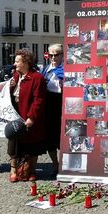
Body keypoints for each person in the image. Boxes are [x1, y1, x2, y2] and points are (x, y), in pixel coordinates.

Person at [8, 48, 47, 182]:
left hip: (28, 114)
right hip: (16, 115)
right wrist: (10, 87)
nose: (15, 64)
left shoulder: (37, 78)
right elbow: (10, 96)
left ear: (26, 62)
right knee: (14, 144)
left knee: (32, 146)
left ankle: (31, 170)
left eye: (17, 61)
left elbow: (39, 100)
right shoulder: (16, 76)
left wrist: (31, 117)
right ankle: (13, 170)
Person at [41, 44, 63, 177]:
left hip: (62, 104)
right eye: (51, 55)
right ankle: (55, 164)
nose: (53, 57)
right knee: (51, 138)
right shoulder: (45, 70)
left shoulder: (67, 70)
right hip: (49, 106)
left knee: (63, 136)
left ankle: (65, 163)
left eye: (56, 55)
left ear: (62, 55)